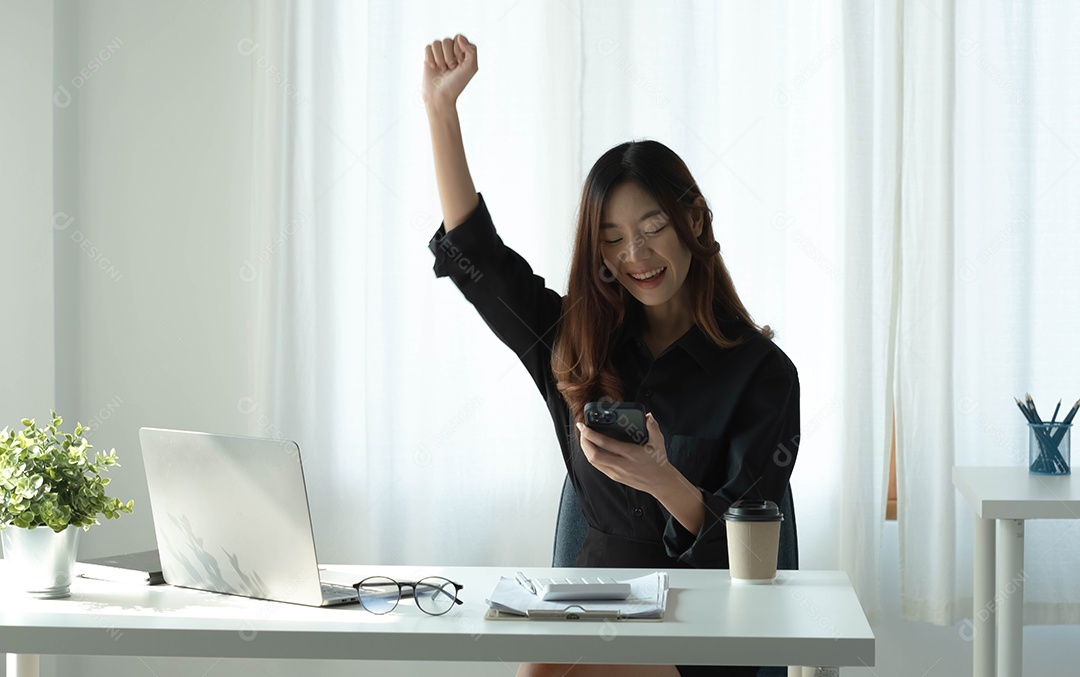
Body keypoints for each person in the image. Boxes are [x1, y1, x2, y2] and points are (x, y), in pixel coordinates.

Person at [422, 34, 800, 677]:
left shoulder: (762, 373)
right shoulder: (574, 341)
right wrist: (440, 111)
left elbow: (748, 550)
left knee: (558, 672)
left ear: (696, 222)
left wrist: (662, 478)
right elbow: (477, 258)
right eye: (614, 239)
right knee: (541, 667)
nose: (637, 256)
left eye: (653, 230)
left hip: (706, 622)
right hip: (594, 606)